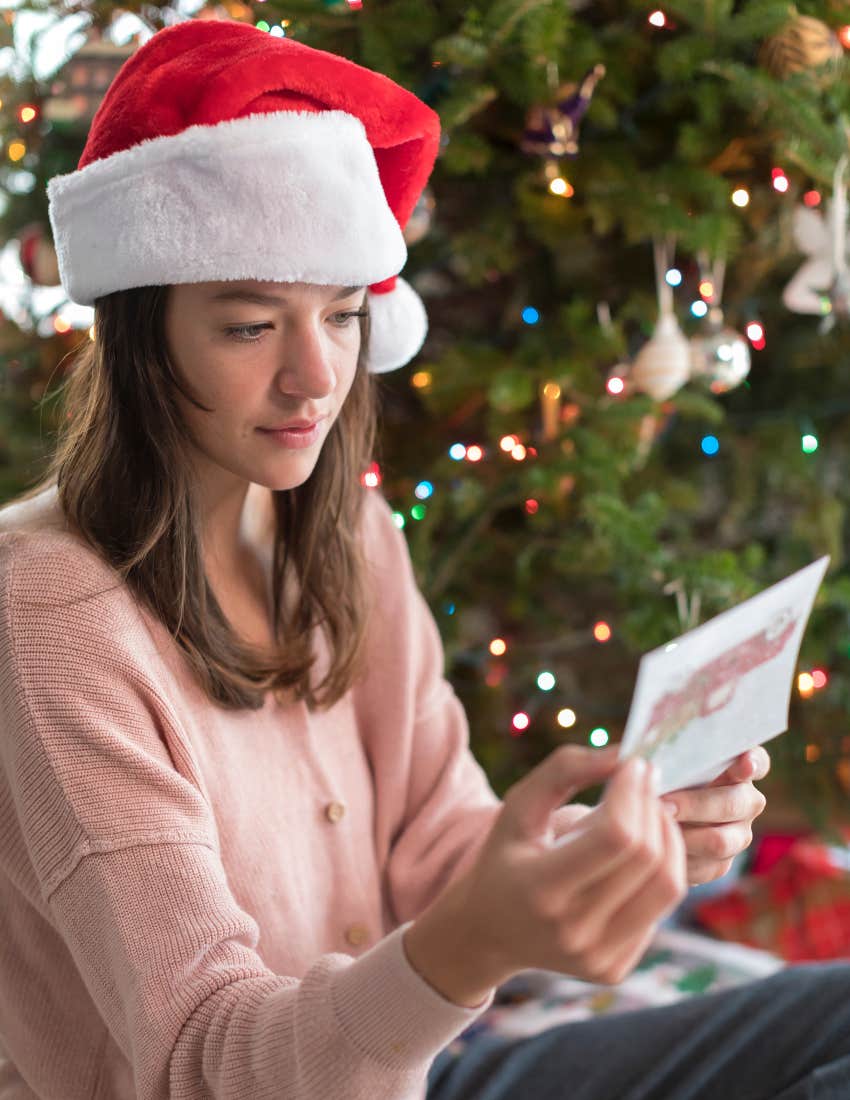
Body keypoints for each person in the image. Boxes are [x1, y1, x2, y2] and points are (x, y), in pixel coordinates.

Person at [0, 16, 847, 1100]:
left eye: (345, 316)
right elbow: (202, 1060)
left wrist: (608, 850)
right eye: (252, 326)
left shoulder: (346, 533)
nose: (316, 377)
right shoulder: (52, 608)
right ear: (139, 332)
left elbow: (437, 846)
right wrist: (462, 951)